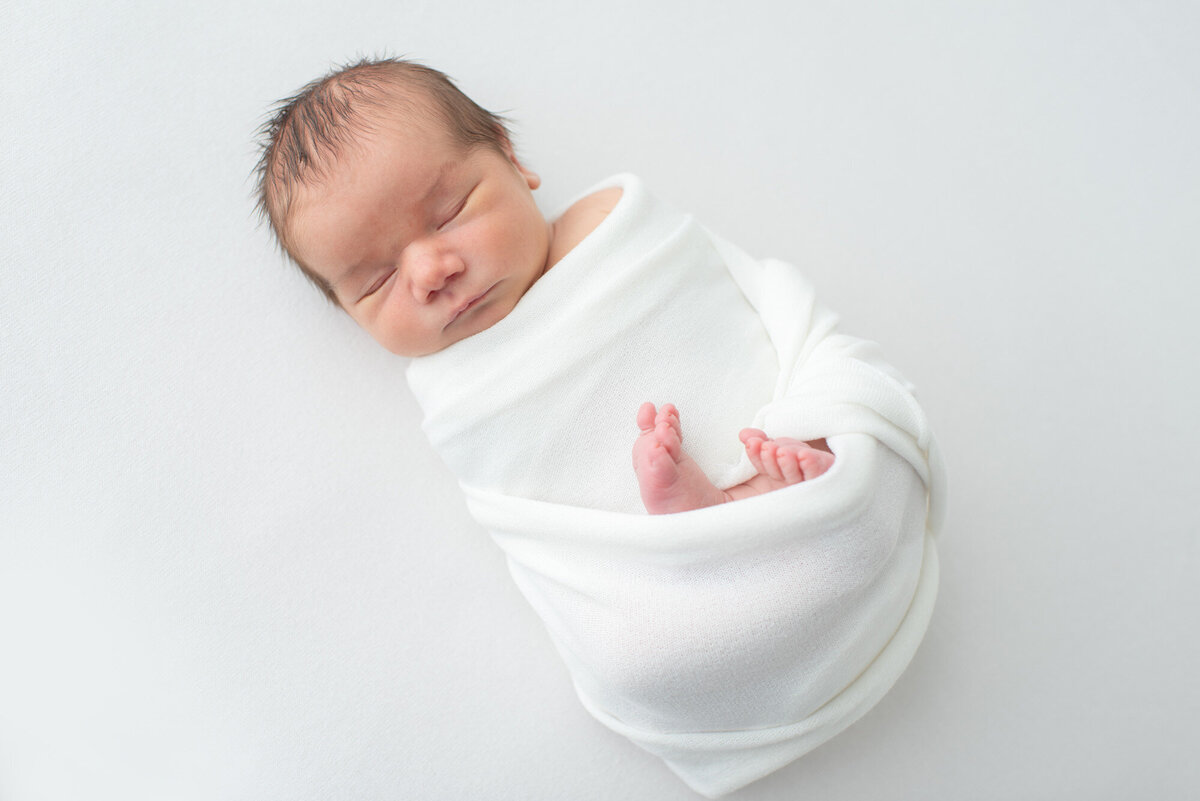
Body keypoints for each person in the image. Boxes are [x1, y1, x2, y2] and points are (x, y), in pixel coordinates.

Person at [255, 57, 833, 514]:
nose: (431, 272)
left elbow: (751, 300)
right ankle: (708, 520)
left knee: (826, 421)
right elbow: (536, 520)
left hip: (787, 436)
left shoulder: (617, 229)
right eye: (378, 280)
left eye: (451, 211)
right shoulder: (462, 398)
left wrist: (824, 396)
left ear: (511, 157)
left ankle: (766, 471)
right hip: (655, 561)